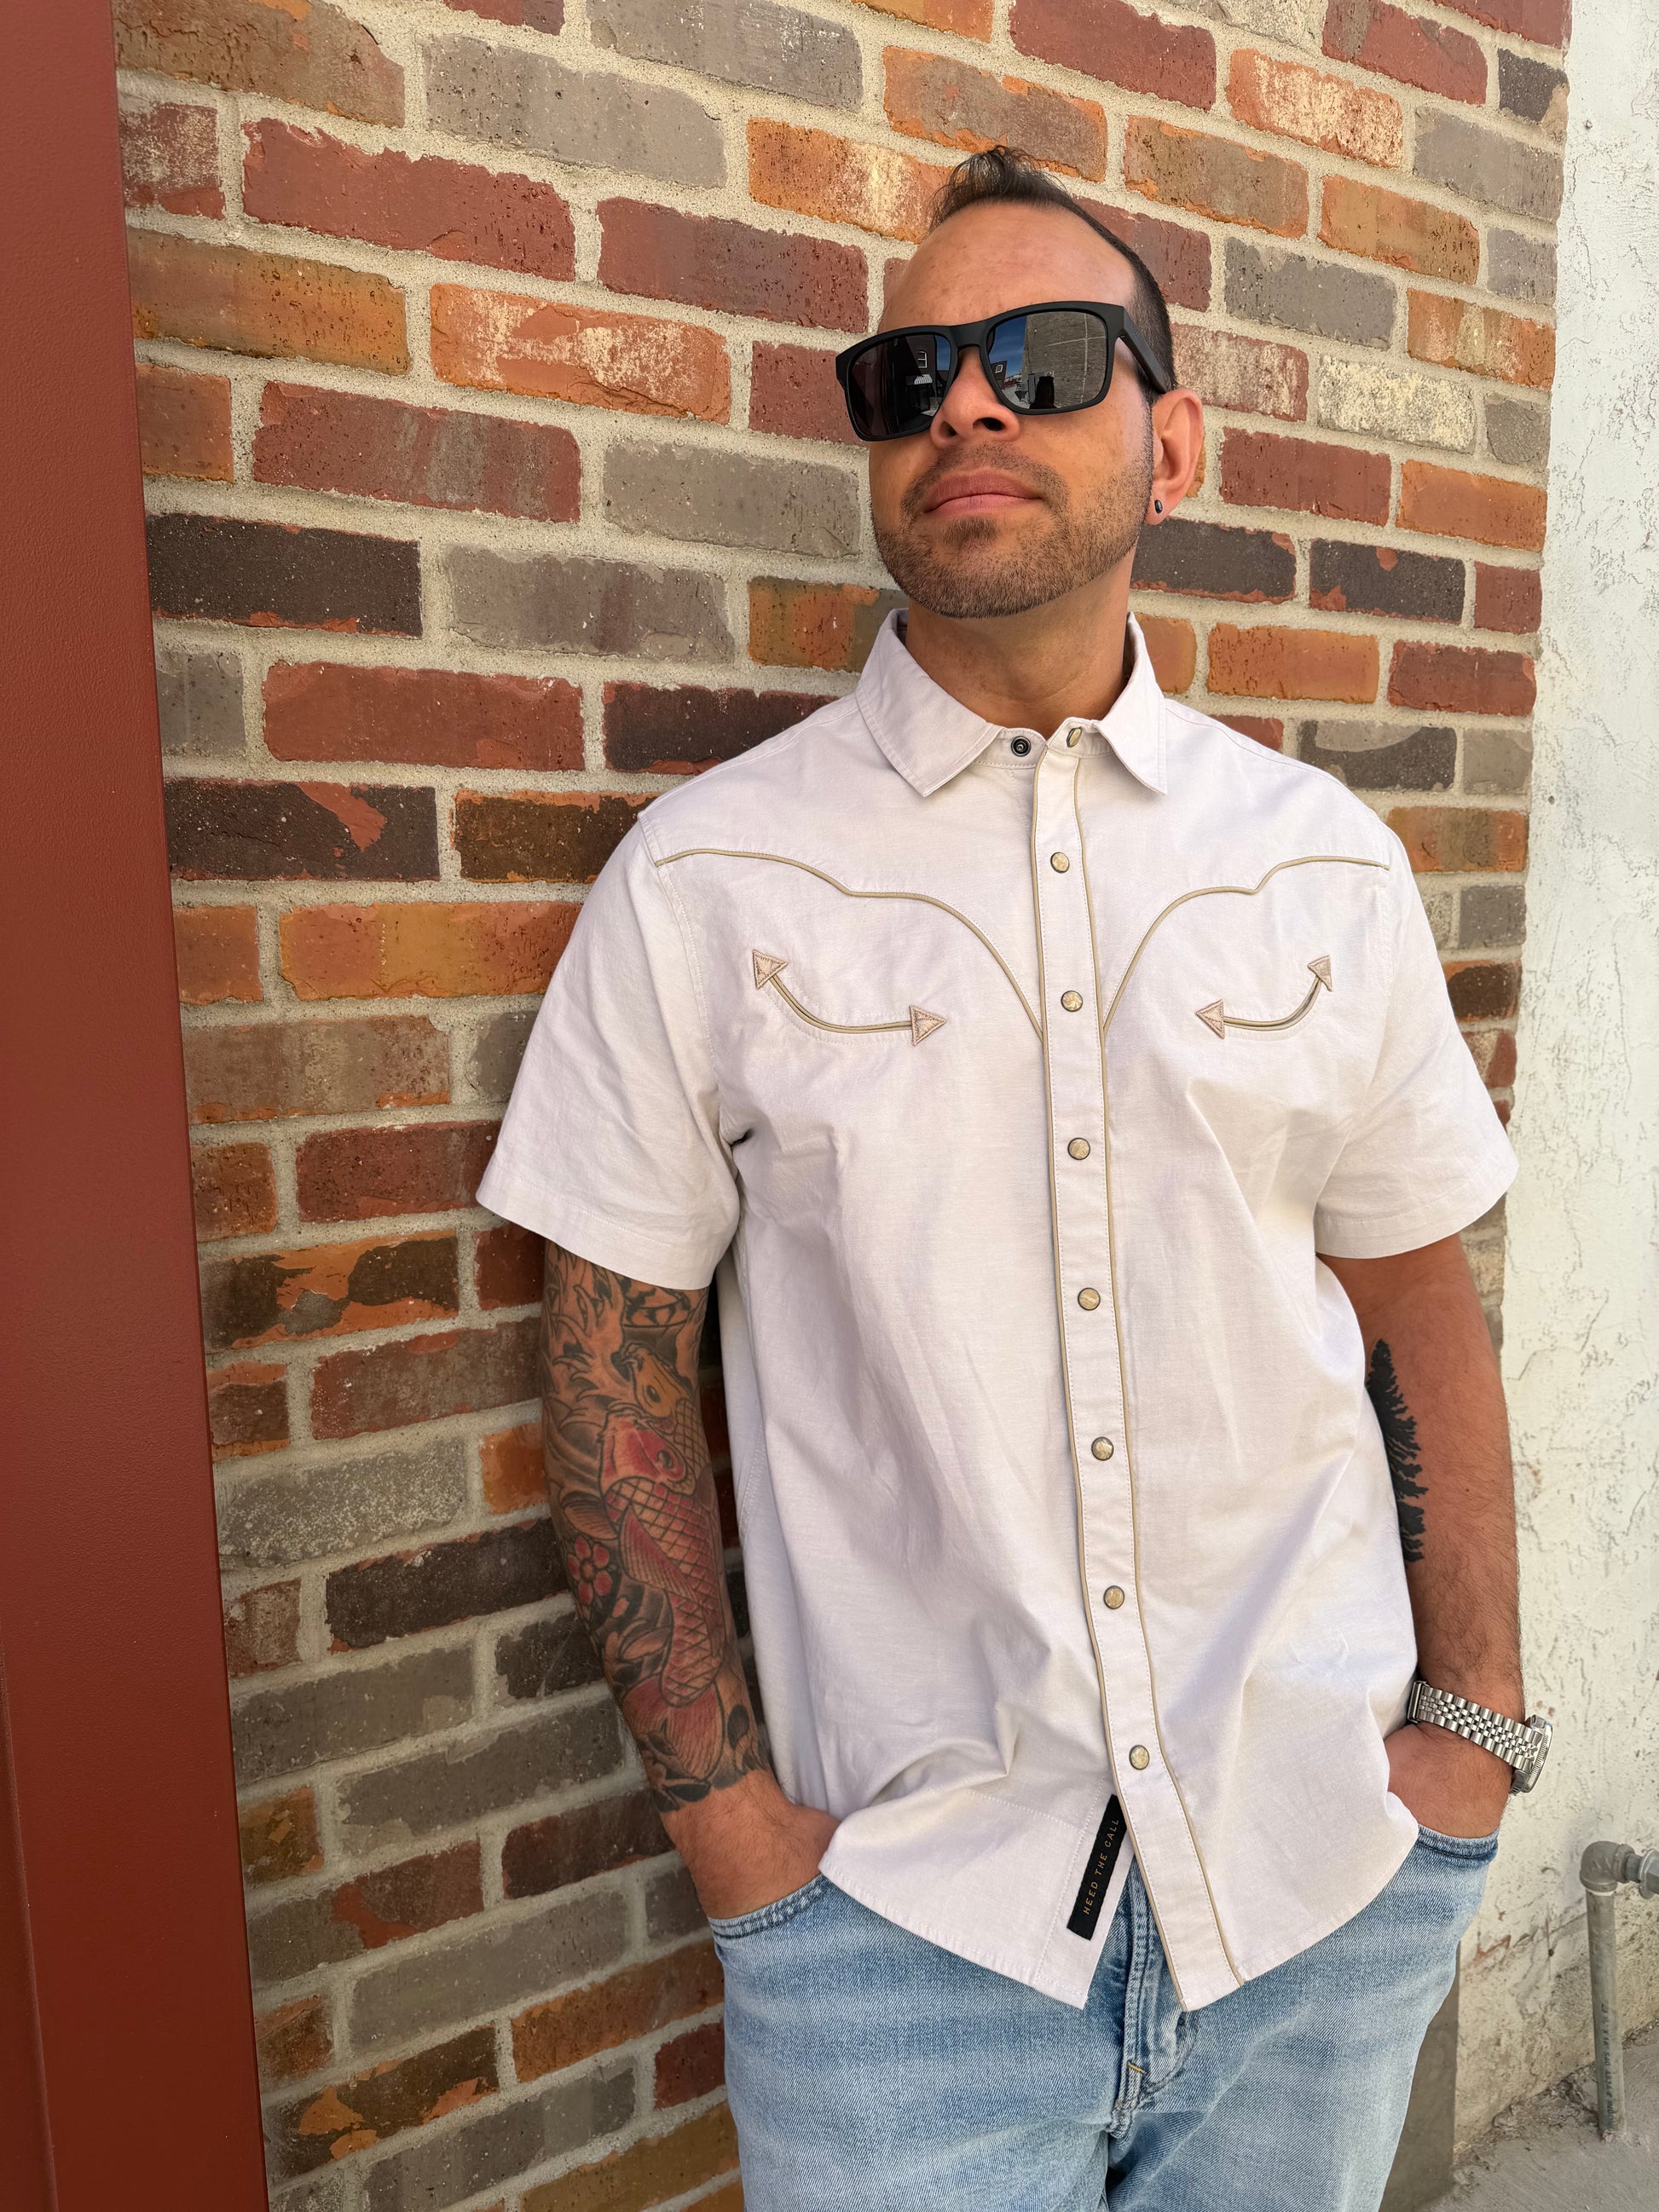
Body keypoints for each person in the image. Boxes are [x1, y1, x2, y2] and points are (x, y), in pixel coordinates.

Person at [477, 147, 1550, 2212]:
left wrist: (1468, 1740)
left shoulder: (1319, 862)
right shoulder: (707, 881)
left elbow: (1419, 1305)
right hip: (900, 1938)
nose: (964, 406)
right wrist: (739, 1842)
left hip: (1319, 1877)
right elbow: (610, 1367)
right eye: (910, 374)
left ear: (1173, 436)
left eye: (1043, 360)